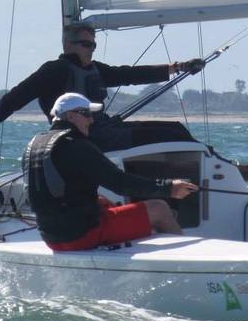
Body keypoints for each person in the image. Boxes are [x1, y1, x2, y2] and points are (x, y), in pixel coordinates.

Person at [0, 22, 248, 181]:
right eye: (86, 44)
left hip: (108, 129)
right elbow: (17, 95)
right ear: (68, 44)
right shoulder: (53, 71)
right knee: (169, 134)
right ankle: (228, 172)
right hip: (86, 139)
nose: (91, 49)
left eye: (93, 44)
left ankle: (225, 168)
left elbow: (130, 74)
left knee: (175, 128)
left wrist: (178, 67)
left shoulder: (96, 69)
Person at [23, 92, 200, 251]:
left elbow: (56, 192)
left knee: (104, 202)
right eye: (86, 114)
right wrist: (169, 188)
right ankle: (184, 265)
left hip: (51, 238)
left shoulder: (34, 145)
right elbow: (120, 183)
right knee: (160, 208)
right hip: (82, 236)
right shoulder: (77, 145)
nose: (91, 121)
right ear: (70, 116)